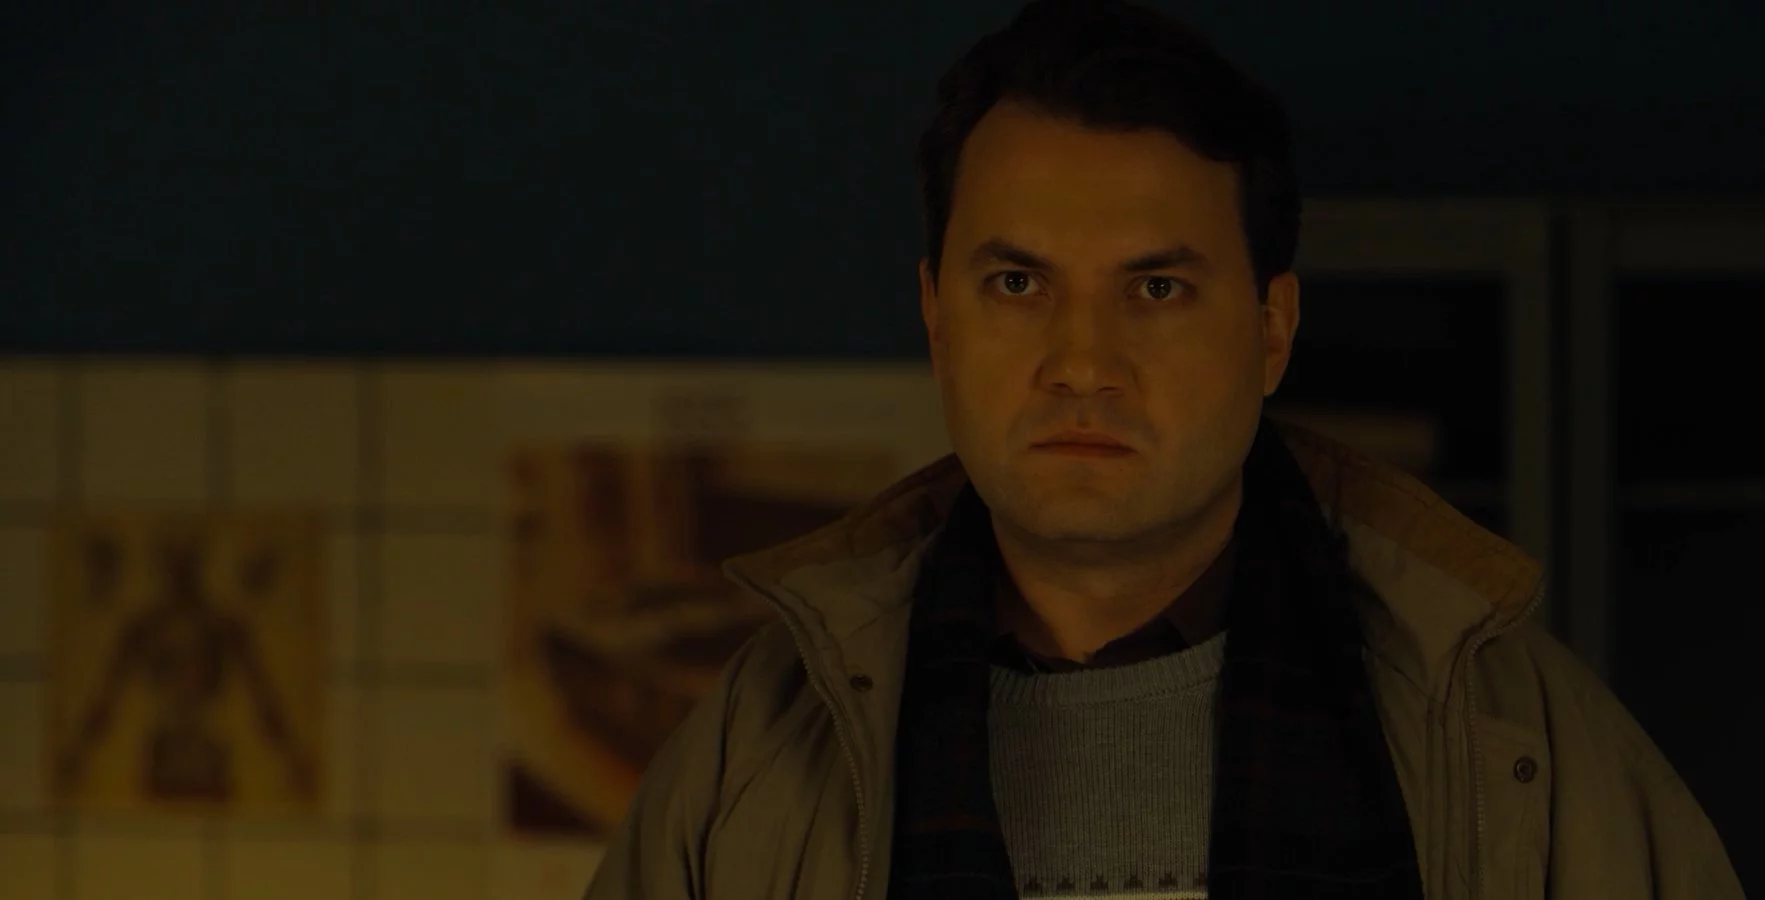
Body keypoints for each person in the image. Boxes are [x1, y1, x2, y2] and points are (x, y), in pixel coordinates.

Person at [583, 1, 1742, 897]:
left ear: (1271, 329)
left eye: (1155, 288)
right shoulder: (759, 750)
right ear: (937, 321)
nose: (1081, 361)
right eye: (1018, 283)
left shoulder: (1509, 739)